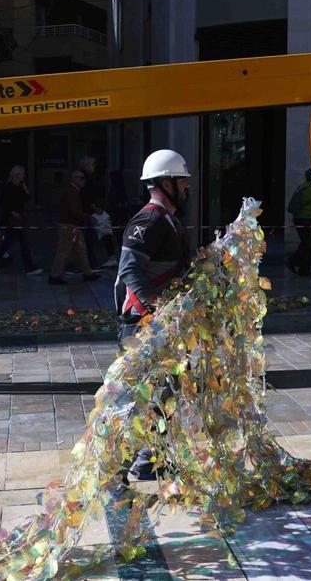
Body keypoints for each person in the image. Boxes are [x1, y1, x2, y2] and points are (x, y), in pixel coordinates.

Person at [115, 149, 192, 481]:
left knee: (164, 390)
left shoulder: (169, 219)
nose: (187, 188)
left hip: (158, 322)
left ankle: (148, 458)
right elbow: (129, 270)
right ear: (166, 182)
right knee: (143, 393)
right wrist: (154, 310)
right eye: (183, 182)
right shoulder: (150, 220)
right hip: (143, 324)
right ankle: (125, 460)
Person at [49, 169, 100, 285]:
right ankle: (54, 275)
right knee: (64, 251)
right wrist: (88, 217)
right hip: (68, 226)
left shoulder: (73, 191)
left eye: (84, 178)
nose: (84, 181)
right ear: (74, 179)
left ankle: (87, 273)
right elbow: (74, 211)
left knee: (81, 250)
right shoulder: (71, 192)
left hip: (72, 225)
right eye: (81, 178)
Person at [0, 165, 43, 276]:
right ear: (17, 175)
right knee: (22, 244)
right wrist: (12, 212)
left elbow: (27, 198)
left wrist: (25, 187)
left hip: (18, 220)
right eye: (22, 174)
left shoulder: (19, 187)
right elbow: (3, 203)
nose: (24, 176)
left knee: (8, 243)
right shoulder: (8, 187)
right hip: (11, 220)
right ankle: (29, 268)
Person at [78, 156, 105, 270]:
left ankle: (89, 264)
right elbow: (85, 195)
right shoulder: (83, 177)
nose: (93, 167)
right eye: (92, 165)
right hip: (86, 212)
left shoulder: (90, 177)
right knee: (86, 239)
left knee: (88, 239)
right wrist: (93, 207)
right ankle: (88, 265)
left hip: (88, 211)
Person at [92, 201, 115, 267]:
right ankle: (109, 259)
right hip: (99, 234)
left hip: (107, 233)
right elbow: (93, 223)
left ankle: (112, 259)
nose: (96, 209)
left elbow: (108, 223)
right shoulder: (93, 216)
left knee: (108, 240)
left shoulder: (106, 214)